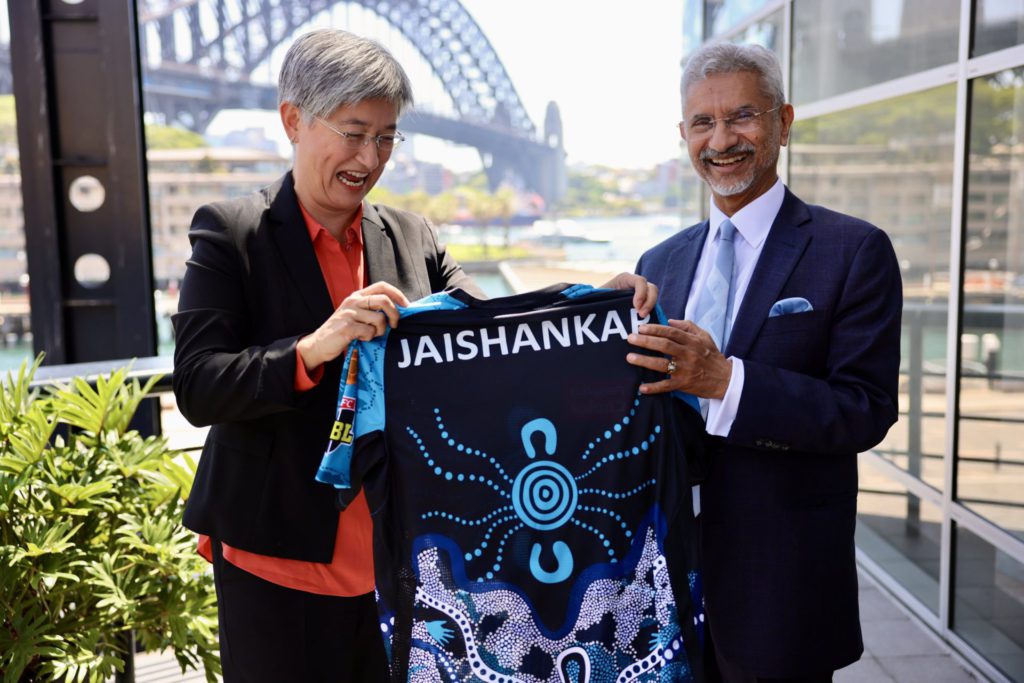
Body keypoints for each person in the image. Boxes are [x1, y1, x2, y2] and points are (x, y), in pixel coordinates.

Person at [172, 28, 655, 682]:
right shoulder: (232, 232)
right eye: (353, 131)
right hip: (279, 557)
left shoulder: (411, 233)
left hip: (406, 560)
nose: (370, 157)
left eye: (386, 136)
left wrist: (591, 311)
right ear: (293, 120)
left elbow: (491, 339)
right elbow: (199, 385)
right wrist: (316, 347)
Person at [626, 42, 902, 682]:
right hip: (660, 586)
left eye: (742, 117)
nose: (721, 139)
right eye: (703, 122)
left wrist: (725, 382)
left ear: (784, 121)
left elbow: (864, 411)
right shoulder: (657, 262)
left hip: (783, 590)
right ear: (684, 135)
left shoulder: (853, 249)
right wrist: (598, 326)